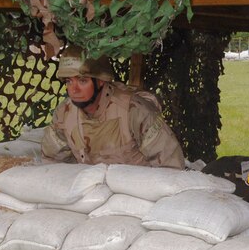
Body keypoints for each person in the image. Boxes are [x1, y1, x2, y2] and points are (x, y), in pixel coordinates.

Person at [41, 46, 186, 169]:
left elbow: (171, 167)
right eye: (68, 81)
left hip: (138, 194)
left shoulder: (133, 111)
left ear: (101, 81)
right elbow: (52, 164)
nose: (74, 90)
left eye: (82, 81)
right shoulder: (64, 114)